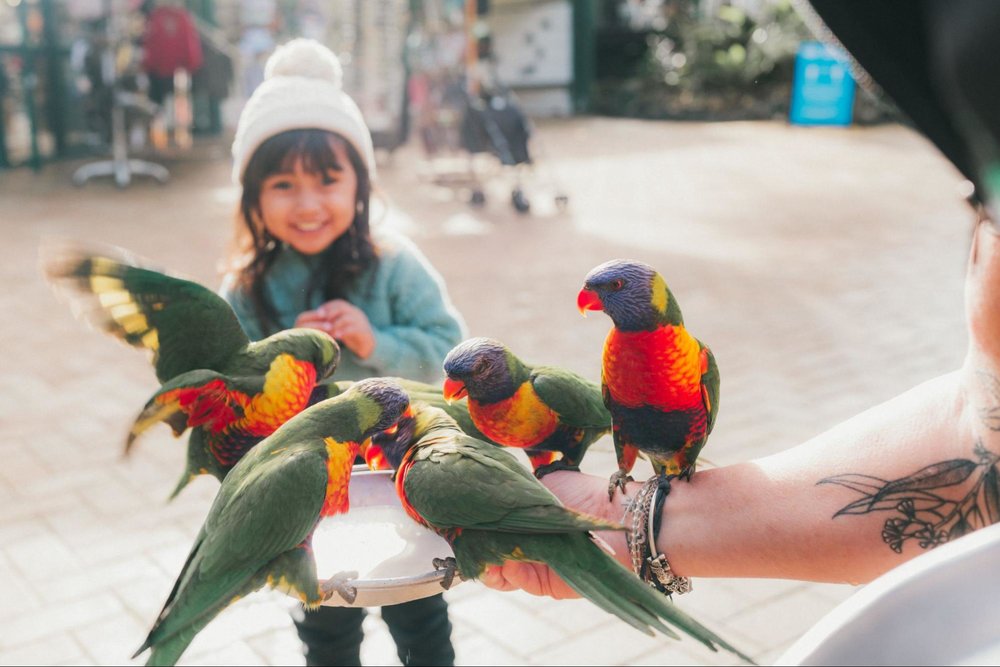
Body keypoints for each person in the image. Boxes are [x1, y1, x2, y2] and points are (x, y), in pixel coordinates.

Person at [482, 0, 1000, 598]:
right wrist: (620, 520)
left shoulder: (691, 357)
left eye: (614, 290)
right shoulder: (613, 355)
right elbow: (980, 432)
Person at [220, 38, 464, 666]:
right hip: (307, 498)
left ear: (360, 181)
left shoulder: (392, 264)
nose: (308, 204)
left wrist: (373, 341)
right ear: (252, 198)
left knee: (420, 614)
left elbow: (451, 354)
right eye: (282, 185)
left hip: (398, 483)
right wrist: (277, 367)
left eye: (328, 179)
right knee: (325, 625)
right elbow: (229, 394)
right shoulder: (246, 287)